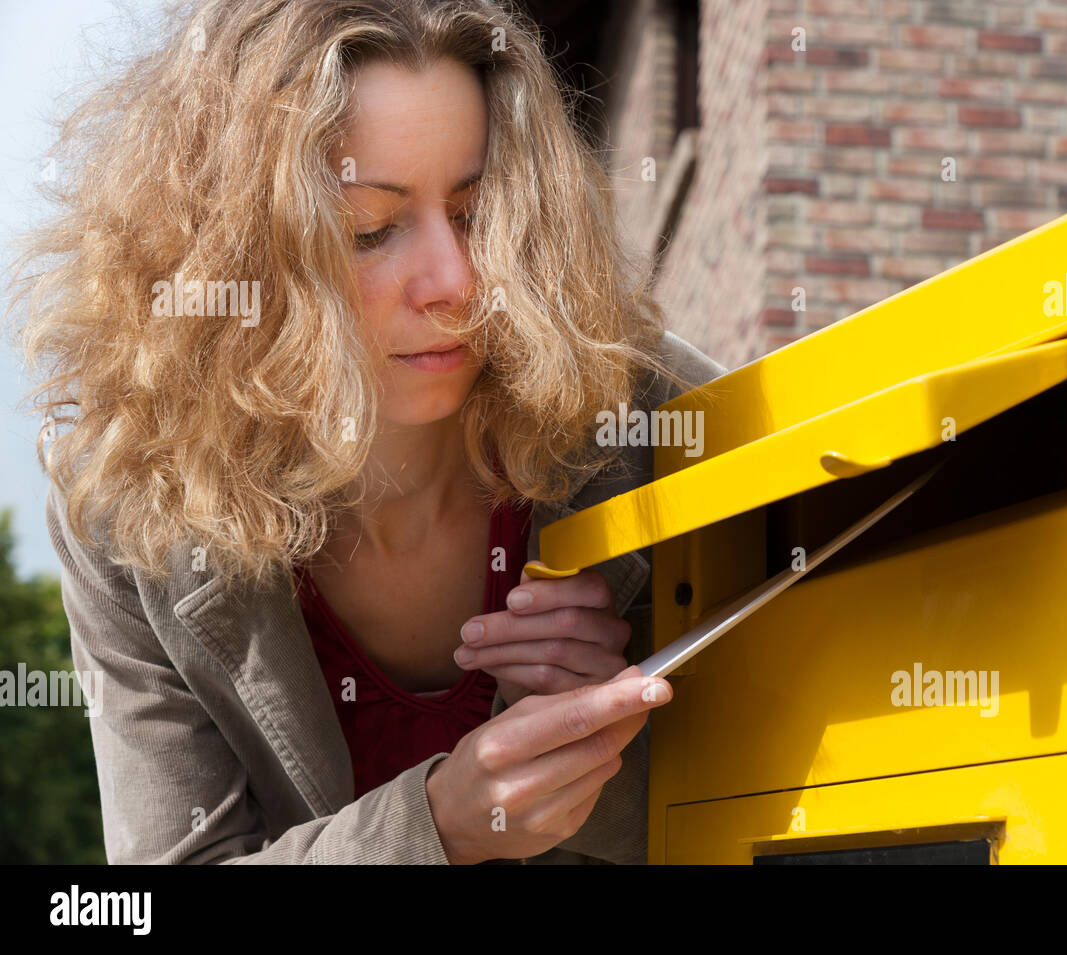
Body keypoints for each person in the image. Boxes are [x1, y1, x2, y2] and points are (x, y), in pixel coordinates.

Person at [10, 0, 725, 864]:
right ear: (235, 260)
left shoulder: (657, 409)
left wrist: (604, 746)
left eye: (477, 212)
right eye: (370, 230)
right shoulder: (127, 514)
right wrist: (439, 822)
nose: (456, 281)